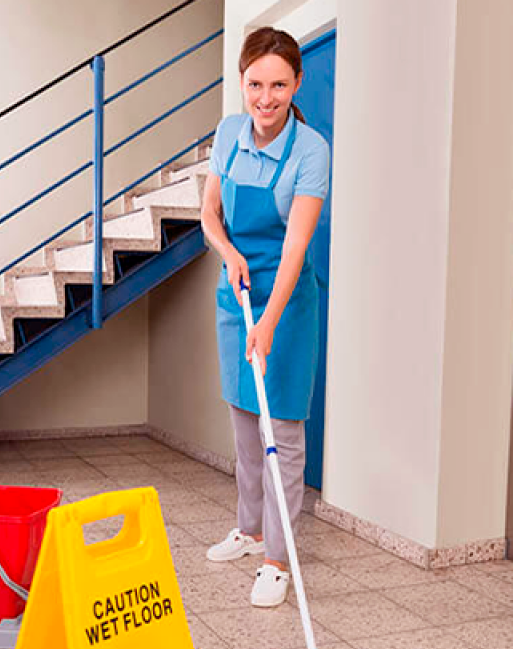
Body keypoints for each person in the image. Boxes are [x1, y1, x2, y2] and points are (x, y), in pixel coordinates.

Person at [201, 26, 330, 607]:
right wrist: (227, 254)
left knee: (281, 430)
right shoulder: (228, 134)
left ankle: (278, 559)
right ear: (243, 82)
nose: (266, 97)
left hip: (287, 303)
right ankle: (249, 530)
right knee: (242, 420)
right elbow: (210, 214)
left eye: (279, 84)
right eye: (256, 83)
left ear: (295, 83)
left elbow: (295, 248)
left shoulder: (311, 150)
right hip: (237, 294)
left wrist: (270, 322)